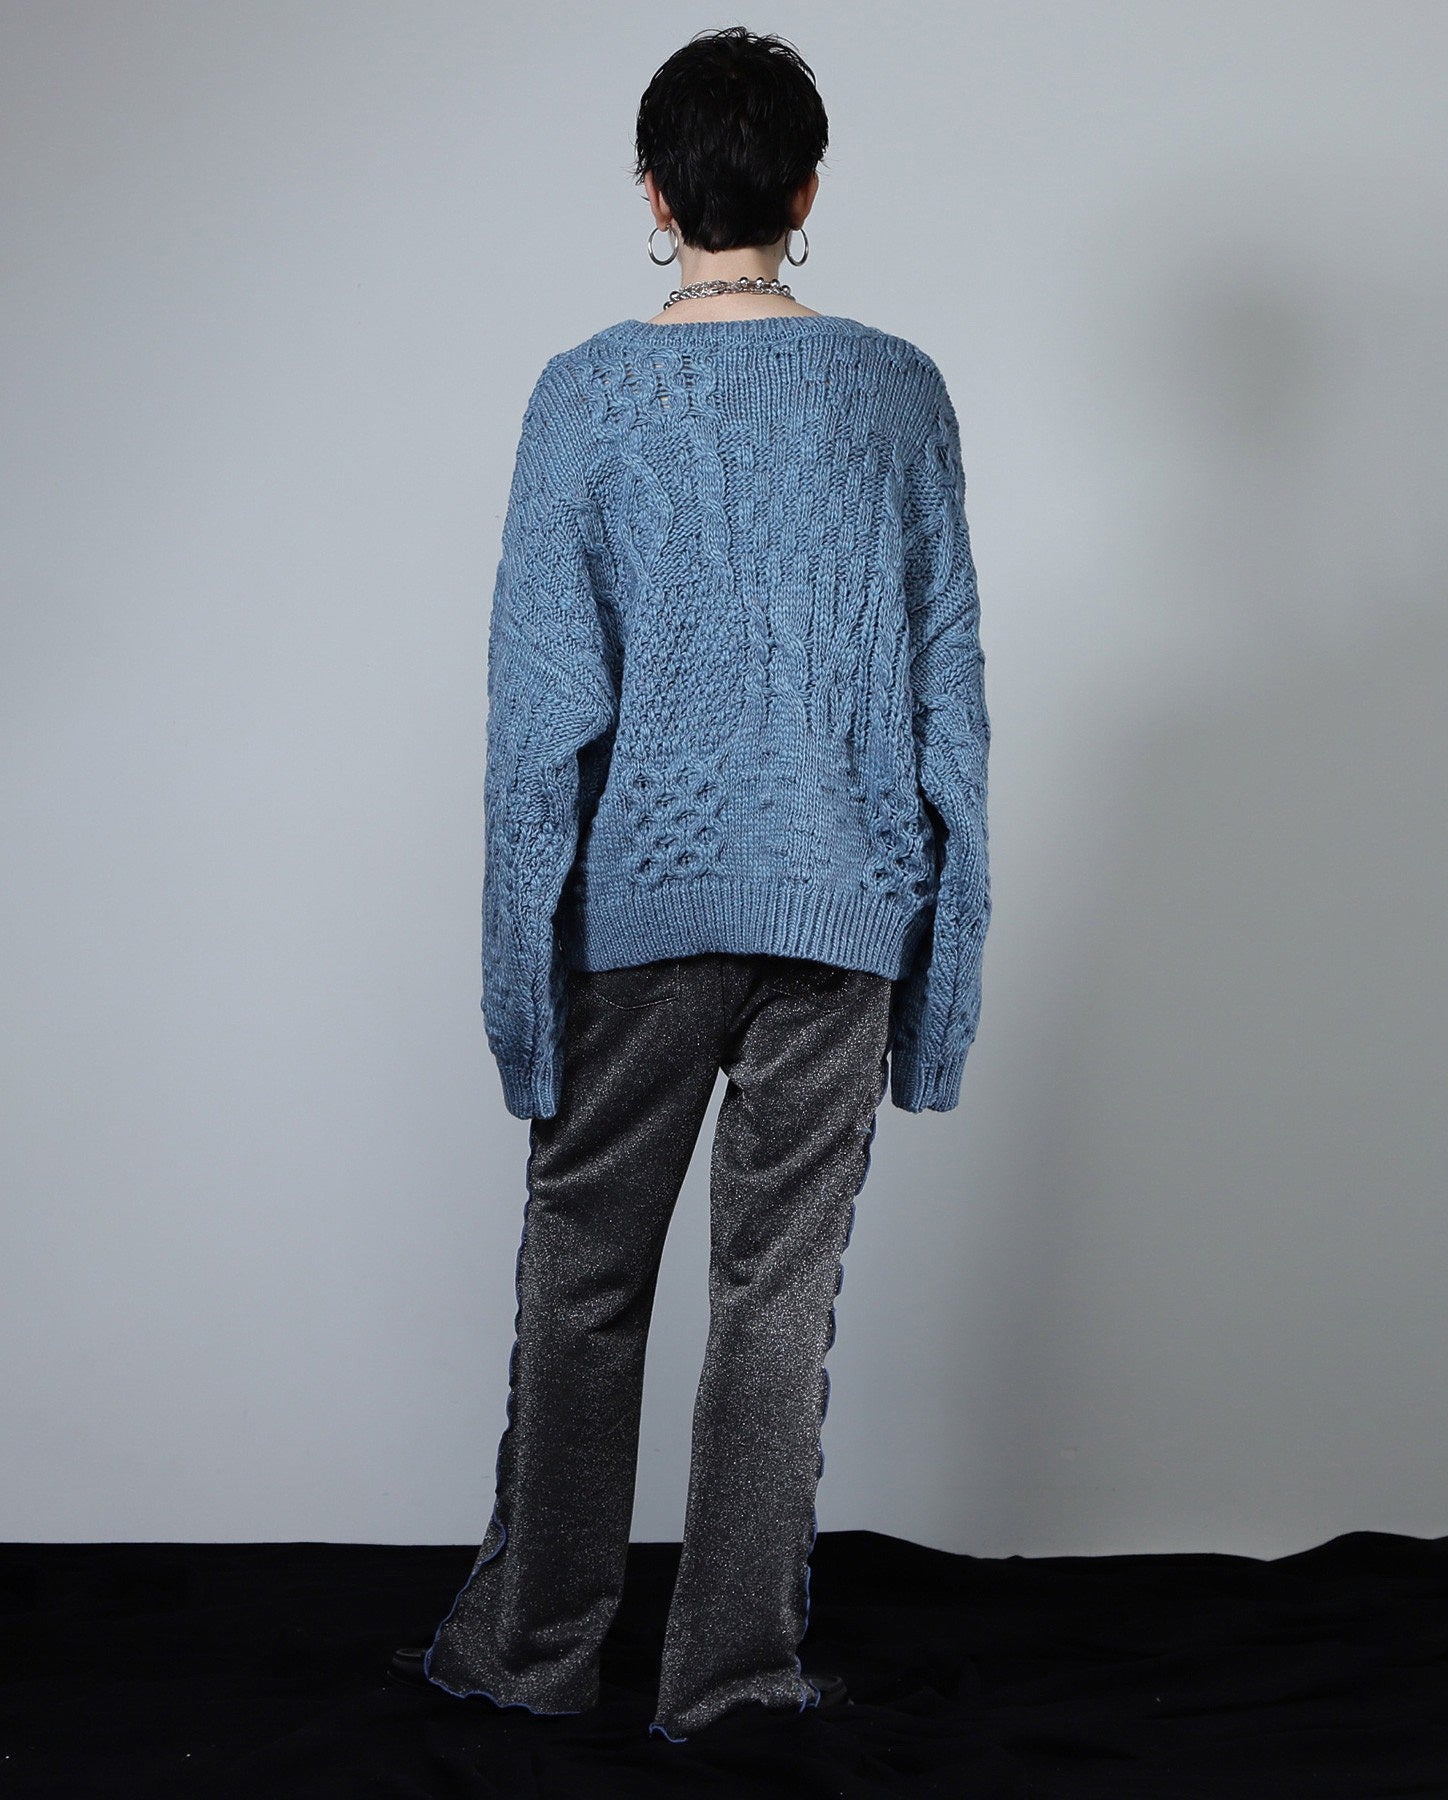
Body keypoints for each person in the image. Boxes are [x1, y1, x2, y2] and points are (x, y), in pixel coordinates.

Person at [388, 24, 992, 1744]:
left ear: (654, 195)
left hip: (633, 917)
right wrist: (940, 990)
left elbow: (536, 722)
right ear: (808, 190)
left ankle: (533, 1650)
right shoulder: (898, 390)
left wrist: (521, 990)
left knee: (582, 1282)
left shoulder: (583, 395)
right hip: (844, 908)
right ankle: (730, 1678)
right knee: (776, 1299)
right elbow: (950, 698)